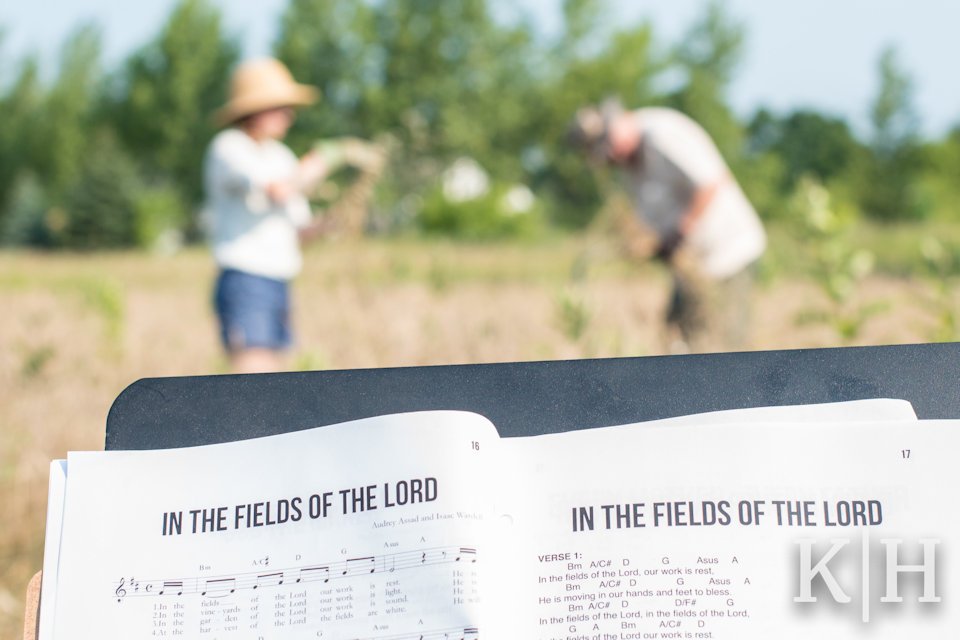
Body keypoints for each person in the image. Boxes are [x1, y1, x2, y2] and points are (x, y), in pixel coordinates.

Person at [570, 100, 767, 353]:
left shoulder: (661, 134)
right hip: (692, 265)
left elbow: (711, 184)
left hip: (728, 253)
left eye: (607, 145)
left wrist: (678, 234)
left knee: (728, 340)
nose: (609, 156)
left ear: (618, 123)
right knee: (678, 337)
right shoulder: (627, 166)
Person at [204, 58, 335, 374]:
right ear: (254, 110)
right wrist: (320, 164)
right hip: (246, 278)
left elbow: (299, 229)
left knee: (275, 384)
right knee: (254, 382)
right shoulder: (229, 148)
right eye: (279, 107)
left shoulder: (281, 155)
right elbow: (276, 190)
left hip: (278, 281)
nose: (288, 115)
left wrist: (332, 222)